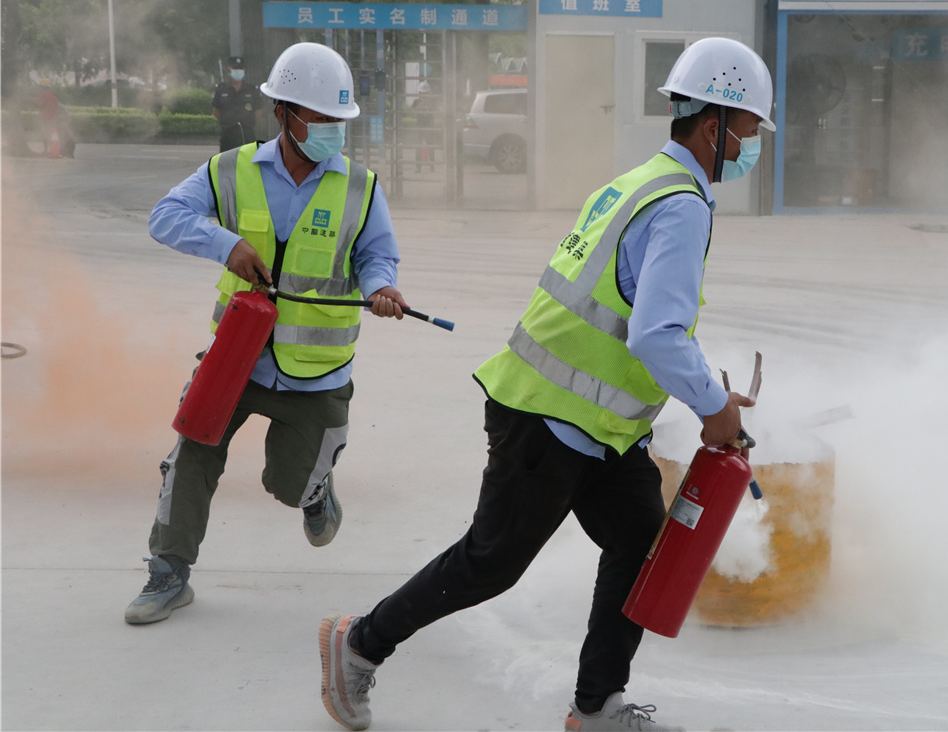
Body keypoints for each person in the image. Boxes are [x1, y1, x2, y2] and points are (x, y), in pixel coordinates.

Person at [317, 38, 773, 732]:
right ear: (713, 127)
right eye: (748, 130)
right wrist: (713, 407)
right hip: (549, 413)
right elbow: (656, 333)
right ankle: (360, 642)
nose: (751, 145)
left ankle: (596, 706)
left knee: (640, 542)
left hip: (600, 425)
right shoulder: (682, 205)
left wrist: (704, 390)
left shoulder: (639, 180)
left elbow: (634, 317)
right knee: (491, 562)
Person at [125, 42, 408, 625]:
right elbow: (165, 217)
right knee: (192, 453)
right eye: (322, 118)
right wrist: (226, 246)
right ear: (283, 112)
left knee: (286, 483)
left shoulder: (361, 187)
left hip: (318, 372)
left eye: (340, 120)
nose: (333, 130)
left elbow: (378, 257)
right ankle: (168, 572)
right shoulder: (229, 170)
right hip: (237, 357)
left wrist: (383, 288)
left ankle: (313, 492)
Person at [212, 55, 261, 151]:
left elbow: (258, 113)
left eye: (240, 68)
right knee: (228, 164)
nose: (238, 70)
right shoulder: (221, 89)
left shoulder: (251, 90)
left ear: (244, 69)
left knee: (247, 163)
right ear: (229, 69)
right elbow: (216, 112)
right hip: (228, 134)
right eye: (235, 68)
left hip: (247, 134)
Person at [37, 78, 59, 157]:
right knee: (50, 134)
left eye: (40, 86)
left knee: (45, 134)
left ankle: (46, 151)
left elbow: (40, 104)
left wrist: (32, 102)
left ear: (43, 86)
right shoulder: (52, 95)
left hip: (44, 118)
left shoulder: (44, 93)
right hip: (52, 118)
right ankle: (51, 150)